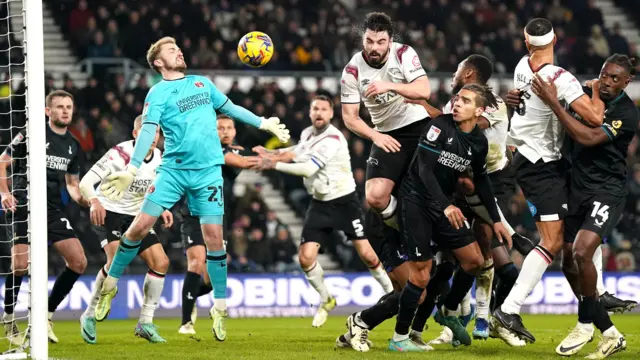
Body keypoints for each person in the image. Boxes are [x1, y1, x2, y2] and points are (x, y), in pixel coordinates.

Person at [95, 36, 290, 342]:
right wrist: (132, 168)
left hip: (209, 173)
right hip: (173, 171)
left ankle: (220, 309)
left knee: (215, 239)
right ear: (158, 62)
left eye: (178, 48)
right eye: (172, 50)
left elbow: (232, 108)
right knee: (139, 228)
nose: (179, 51)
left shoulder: (202, 83)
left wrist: (263, 122)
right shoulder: (157, 92)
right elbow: (148, 130)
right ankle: (110, 286)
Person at [491, 18, 607, 344]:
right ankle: (508, 308)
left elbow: (521, 99)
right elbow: (596, 117)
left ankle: (600, 292)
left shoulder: (521, 66)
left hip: (535, 159)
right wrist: (596, 89)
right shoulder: (559, 77)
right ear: (555, 39)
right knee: (553, 242)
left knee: (582, 218)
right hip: (540, 163)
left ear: (527, 44)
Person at [411, 55, 526, 345]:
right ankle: (440, 320)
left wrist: (419, 104)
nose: (454, 74)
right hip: (460, 182)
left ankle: (483, 317)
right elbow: (450, 124)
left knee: (484, 246)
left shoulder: (495, 103)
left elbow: (470, 125)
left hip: (492, 179)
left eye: (458, 69)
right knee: (450, 260)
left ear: (469, 72)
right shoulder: (454, 105)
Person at [389, 84, 511, 352]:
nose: (456, 103)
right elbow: (424, 169)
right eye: (456, 99)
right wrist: (446, 205)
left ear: (478, 111)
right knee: (421, 276)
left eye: (465, 101)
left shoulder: (478, 142)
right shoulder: (440, 126)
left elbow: (482, 180)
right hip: (417, 202)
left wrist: (496, 219)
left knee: (475, 261)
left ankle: (448, 307)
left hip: (444, 206)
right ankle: (399, 338)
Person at [256, 94, 394, 327]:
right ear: (310, 112)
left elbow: (308, 169)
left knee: (368, 255)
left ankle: (393, 294)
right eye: (315, 109)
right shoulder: (308, 134)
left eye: (323, 109)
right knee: (305, 257)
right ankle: (327, 299)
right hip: (319, 203)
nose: (318, 113)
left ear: (331, 114)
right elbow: (297, 151)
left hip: (344, 202)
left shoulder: (333, 138)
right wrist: (272, 154)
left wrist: (274, 164)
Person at [531, 54, 637, 358]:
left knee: (581, 252)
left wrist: (553, 101)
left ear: (627, 82)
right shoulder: (585, 97)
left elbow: (587, 137)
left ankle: (583, 321)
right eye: (604, 74)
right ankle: (608, 332)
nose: (606, 82)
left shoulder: (627, 112)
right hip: (577, 188)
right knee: (567, 263)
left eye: (615, 78)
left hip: (608, 190)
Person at [0, 90, 88, 344]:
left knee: (78, 261)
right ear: (48, 111)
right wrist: (4, 193)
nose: (65, 111)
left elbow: (72, 185)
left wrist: (87, 200)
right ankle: (8, 320)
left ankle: (45, 317)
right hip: (24, 201)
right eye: (59, 106)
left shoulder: (73, 145)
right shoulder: (31, 134)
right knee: (19, 265)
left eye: (69, 106)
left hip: (50, 207)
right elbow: (2, 161)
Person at [78, 115, 172, 343]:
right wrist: (95, 202)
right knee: (114, 263)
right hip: (108, 213)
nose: (152, 138)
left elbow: (154, 189)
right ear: (135, 134)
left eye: (155, 134)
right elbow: (84, 184)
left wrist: (162, 208)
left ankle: (145, 323)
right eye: (146, 132)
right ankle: (88, 315)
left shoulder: (160, 158)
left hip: (137, 217)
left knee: (161, 262)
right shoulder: (118, 154)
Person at [340, 12, 430, 231]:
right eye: (369, 41)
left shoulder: (403, 54)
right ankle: (409, 231)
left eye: (381, 42)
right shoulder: (352, 70)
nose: (375, 47)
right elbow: (349, 117)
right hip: (386, 134)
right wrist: (375, 135)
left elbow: (424, 90)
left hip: (419, 127)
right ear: (363, 40)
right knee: (375, 197)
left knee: (435, 189)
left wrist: (390, 86)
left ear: (390, 41)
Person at [178, 114, 261, 335]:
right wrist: (270, 160)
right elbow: (240, 161)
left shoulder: (235, 150)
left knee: (211, 279)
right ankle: (186, 322)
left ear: (234, 131)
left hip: (218, 216)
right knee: (196, 263)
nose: (224, 131)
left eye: (228, 127)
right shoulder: (207, 149)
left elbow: (239, 157)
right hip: (194, 212)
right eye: (219, 128)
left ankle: (191, 296)